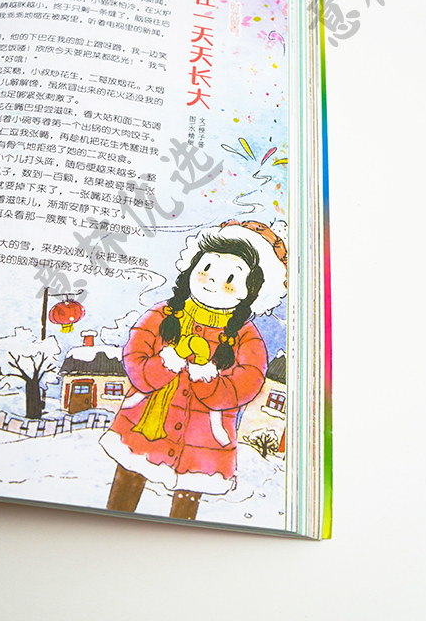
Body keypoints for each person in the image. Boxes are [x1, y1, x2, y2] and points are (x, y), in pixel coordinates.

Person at [100, 219, 287, 520]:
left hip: (204, 439)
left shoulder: (246, 337)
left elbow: (247, 382)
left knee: (187, 499)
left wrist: (206, 378)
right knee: (129, 478)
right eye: (207, 268)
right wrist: (167, 362)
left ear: (250, 291)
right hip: (142, 423)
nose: (212, 281)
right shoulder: (164, 314)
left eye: (230, 278)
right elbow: (135, 358)